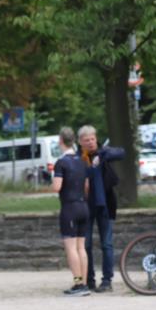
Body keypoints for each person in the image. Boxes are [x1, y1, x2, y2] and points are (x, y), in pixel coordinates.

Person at [78, 125, 125, 293]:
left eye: (92, 139)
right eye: (86, 140)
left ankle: (107, 281)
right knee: (87, 245)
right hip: (85, 207)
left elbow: (121, 152)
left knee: (107, 244)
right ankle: (88, 279)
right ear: (80, 142)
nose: (90, 143)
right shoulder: (79, 158)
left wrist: (102, 154)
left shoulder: (104, 153)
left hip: (104, 205)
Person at [52, 127, 91, 297]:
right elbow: (86, 186)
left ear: (61, 140)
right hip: (83, 205)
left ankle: (77, 283)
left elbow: (57, 187)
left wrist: (51, 183)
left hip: (69, 207)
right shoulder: (82, 160)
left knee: (71, 248)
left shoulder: (61, 162)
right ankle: (84, 283)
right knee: (81, 247)